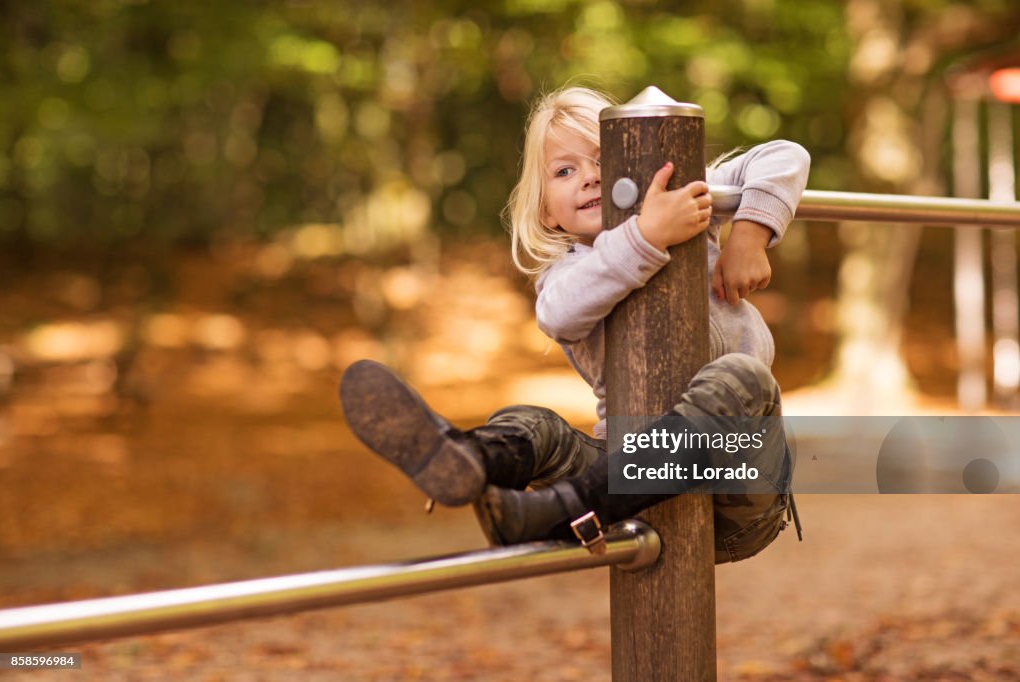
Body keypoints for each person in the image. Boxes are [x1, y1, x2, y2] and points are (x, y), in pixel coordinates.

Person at [341, 85, 809, 556]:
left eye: (604, 160)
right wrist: (646, 235)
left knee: (743, 377)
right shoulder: (567, 275)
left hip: (736, 491)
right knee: (533, 423)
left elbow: (785, 156)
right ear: (547, 210)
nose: (588, 178)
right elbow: (559, 313)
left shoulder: (685, 201)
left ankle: (567, 507)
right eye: (565, 170)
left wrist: (747, 237)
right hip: (628, 483)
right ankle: (468, 458)